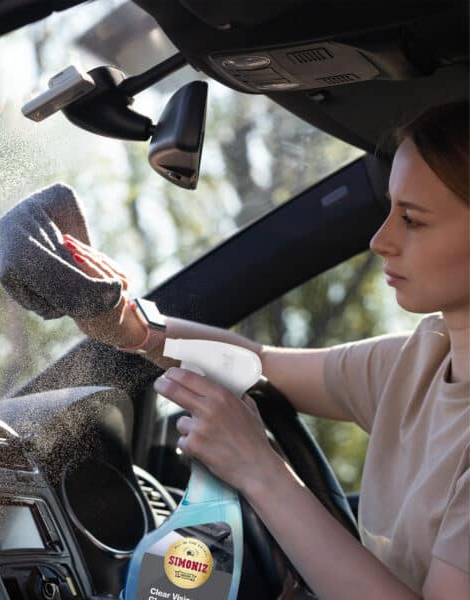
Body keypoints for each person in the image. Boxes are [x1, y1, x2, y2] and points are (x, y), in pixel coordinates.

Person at [61, 101, 469, 598]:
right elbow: (259, 366)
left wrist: (260, 471)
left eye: (412, 219)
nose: (380, 239)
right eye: (389, 210)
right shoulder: (423, 359)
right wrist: (129, 323)